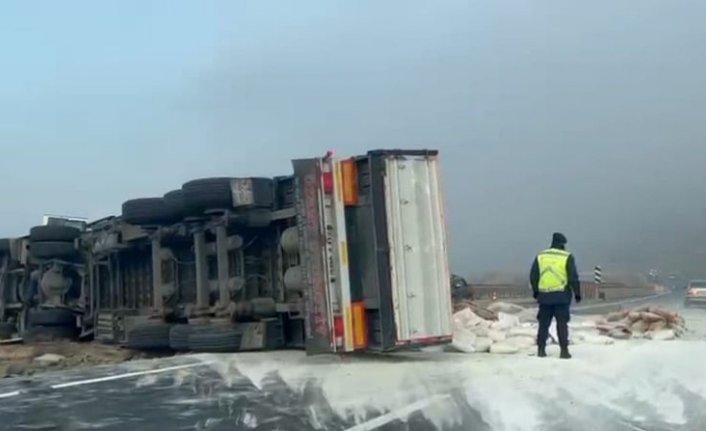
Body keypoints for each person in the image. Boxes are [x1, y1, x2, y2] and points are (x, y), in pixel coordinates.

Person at [529, 232, 581, 359]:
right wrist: (577, 293)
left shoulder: (541, 256)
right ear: (563, 244)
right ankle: (564, 351)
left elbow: (533, 276)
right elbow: (573, 277)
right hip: (561, 296)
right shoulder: (567, 257)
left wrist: (536, 291)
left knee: (543, 324)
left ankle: (541, 350)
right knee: (562, 324)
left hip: (544, 296)